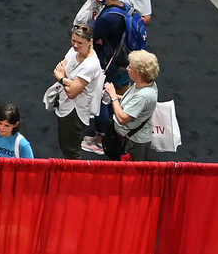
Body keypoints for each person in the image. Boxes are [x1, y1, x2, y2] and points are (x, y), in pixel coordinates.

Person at [50, 26, 104, 157]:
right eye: (73, 40)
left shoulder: (91, 64)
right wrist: (69, 81)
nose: (75, 45)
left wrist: (63, 78)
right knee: (65, 146)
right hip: (65, 106)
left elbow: (72, 93)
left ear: (90, 42)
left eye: (80, 43)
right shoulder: (73, 51)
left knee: (71, 152)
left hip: (75, 113)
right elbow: (57, 70)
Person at [106, 50, 162, 161]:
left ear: (140, 73)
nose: (127, 69)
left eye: (130, 67)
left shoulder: (143, 96)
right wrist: (117, 97)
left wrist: (113, 96)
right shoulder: (144, 84)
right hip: (130, 138)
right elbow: (131, 101)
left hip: (133, 143)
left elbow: (122, 118)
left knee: (133, 173)